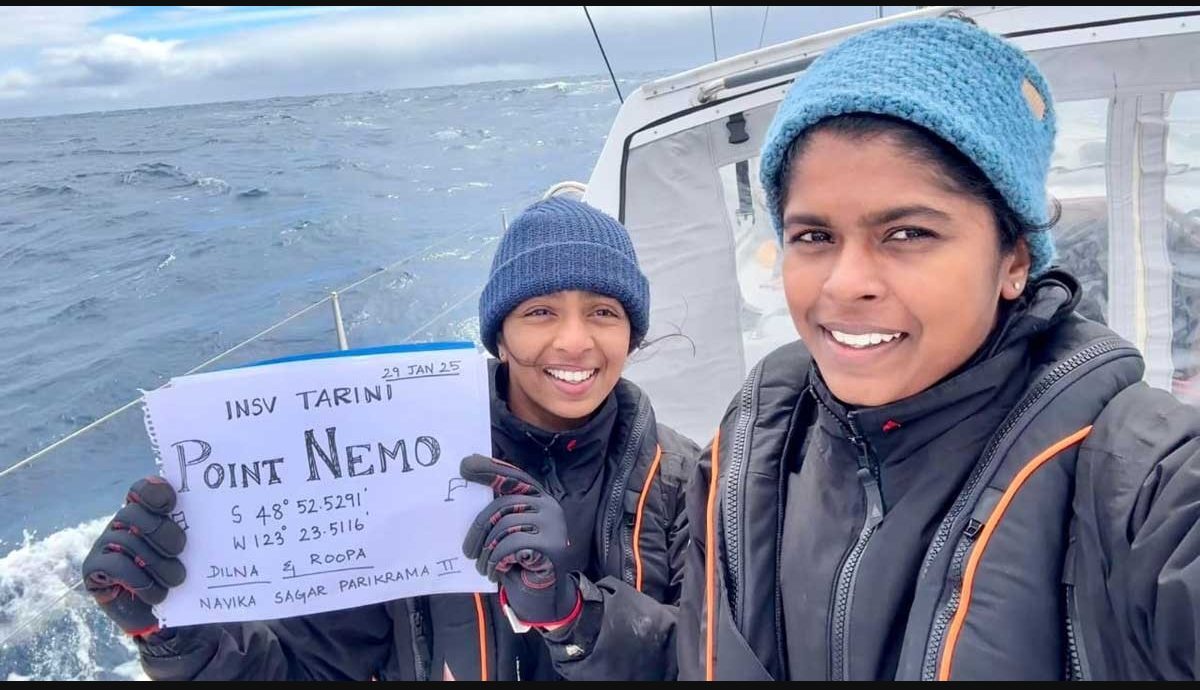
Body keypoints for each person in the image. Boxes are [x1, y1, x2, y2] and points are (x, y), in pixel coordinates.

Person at [677, 16, 1200, 681]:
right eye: (813, 237)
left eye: (908, 234)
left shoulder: (1142, 475)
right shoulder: (754, 445)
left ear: (1014, 259)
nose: (845, 284)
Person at [82, 197, 698, 680]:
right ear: (500, 337)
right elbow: (307, 667)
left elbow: (710, 659)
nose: (573, 341)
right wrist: (169, 632)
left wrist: (574, 615)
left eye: (603, 312)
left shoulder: (687, 481)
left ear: (631, 335)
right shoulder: (394, 467)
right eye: (539, 311)